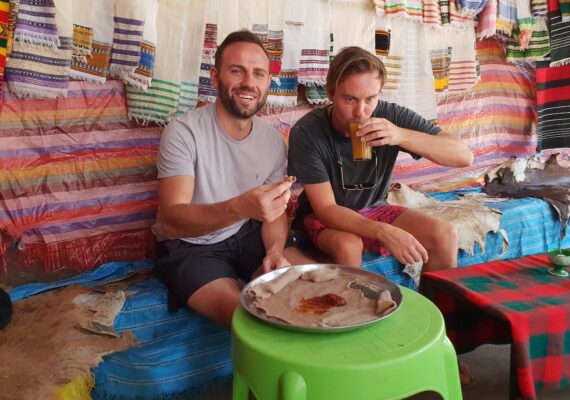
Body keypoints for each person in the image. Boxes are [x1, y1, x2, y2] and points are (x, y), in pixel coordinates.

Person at [153, 30, 311, 328]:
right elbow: (172, 220)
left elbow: (274, 214)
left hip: (248, 237)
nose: (248, 83)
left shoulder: (273, 141)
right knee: (252, 319)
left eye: (258, 74)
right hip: (191, 247)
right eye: (236, 71)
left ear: (267, 82)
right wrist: (240, 207)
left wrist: (275, 251)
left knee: (317, 286)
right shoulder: (183, 133)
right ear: (215, 77)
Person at [288, 46, 473, 273]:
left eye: (370, 99)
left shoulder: (390, 117)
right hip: (323, 217)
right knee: (348, 245)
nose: (361, 112)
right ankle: (350, 307)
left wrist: (400, 135)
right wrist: (384, 232)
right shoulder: (307, 133)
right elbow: (326, 208)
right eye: (349, 99)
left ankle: (431, 308)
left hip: (374, 208)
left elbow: (463, 156)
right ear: (330, 92)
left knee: (445, 235)